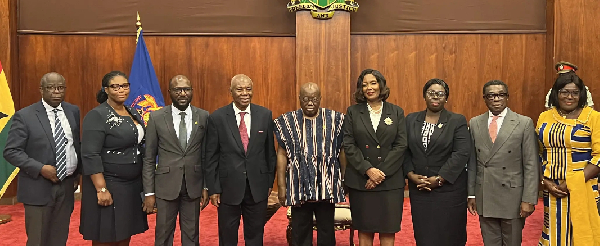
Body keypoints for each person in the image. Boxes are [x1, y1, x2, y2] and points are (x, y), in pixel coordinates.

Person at [3, 72, 81, 246]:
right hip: (38, 187)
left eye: (60, 88)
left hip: (66, 186)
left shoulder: (72, 111)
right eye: (51, 88)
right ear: (41, 90)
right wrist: (40, 168)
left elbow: (75, 144)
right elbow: (11, 151)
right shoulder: (25, 116)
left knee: (59, 238)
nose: (56, 92)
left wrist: (77, 174)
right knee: (38, 240)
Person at [204, 74, 277, 246]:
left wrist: (268, 184)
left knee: (255, 236)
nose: (245, 93)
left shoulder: (264, 115)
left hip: (257, 188)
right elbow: (211, 156)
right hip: (228, 189)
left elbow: (270, 154)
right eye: (239, 89)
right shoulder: (218, 117)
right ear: (231, 92)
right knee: (228, 237)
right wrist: (213, 188)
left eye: (248, 89)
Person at [80, 71, 148, 246]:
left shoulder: (131, 111)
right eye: (115, 86)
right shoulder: (97, 115)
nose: (121, 90)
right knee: (107, 235)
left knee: (125, 232)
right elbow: (90, 153)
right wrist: (101, 189)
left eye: (125, 86)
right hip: (109, 183)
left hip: (132, 186)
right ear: (106, 89)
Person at [467, 80, 539, 246]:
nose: (496, 99)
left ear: (507, 97)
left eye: (500, 95)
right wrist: (471, 194)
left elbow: (531, 164)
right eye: (491, 95)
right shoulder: (475, 123)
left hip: (513, 196)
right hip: (485, 193)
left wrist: (529, 199)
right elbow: (472, 163)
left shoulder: (523, 122)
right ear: (484, 98)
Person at [274, 82, 346, 246]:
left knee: (327, 231)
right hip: (298, 185)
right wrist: (282, 186)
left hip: (326, 185)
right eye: (306, 98)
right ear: (299, 98)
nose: (310, 102)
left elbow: (342, 150)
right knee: (300, 231)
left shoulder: (336, 120)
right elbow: (282, 153)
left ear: (320, 98)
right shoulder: (287, 121)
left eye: (314, 98)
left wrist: (343, 179)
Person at [142, 75, 210, 246]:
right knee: (163, 234)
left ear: (191, 91)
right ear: (170, 92)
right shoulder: (156, 117)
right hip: (165, 186)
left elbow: (206, 155)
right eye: (177, 90)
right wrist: (149, 192)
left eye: (186, 89)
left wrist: (205, 185)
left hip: (193, 185)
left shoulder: (203, 116)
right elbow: (149, 158)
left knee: (192, 234)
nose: (182, 93)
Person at [343, 69, 407, 246]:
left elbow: (401, 145)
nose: (368, 88)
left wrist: (381, 173)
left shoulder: (396, 112)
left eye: (373, 83)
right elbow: (349, 144)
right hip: (361, 181)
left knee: (388, 228)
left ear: (381, 85)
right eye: (364, 85)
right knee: (365, 228)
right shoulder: (353, 112)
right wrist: (368, 170)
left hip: (390, 182)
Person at [403, 78, 471, 246]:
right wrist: (411, 175)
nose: (435, 97)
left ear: (446, 98)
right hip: (420, 188)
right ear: (424, 96)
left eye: (440, 94)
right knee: (424, 235)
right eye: (431, 93)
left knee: (450, 235)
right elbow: (403, 150)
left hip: (449, 190)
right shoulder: (410, 119)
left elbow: (461, 153)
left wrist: (440, 179)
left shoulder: (457, 120)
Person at [537, 72, 600, 245]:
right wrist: (545, 182)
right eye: (564, 92)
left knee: (581, 234)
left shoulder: (593, 117)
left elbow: (599, 157)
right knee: (554, 235)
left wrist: (572, 182)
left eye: (575, 92)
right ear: (556, 94)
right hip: (552, 190)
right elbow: (539, 153)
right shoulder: (545, 117)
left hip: (583, 187)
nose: (569, 97)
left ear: (581, 95)